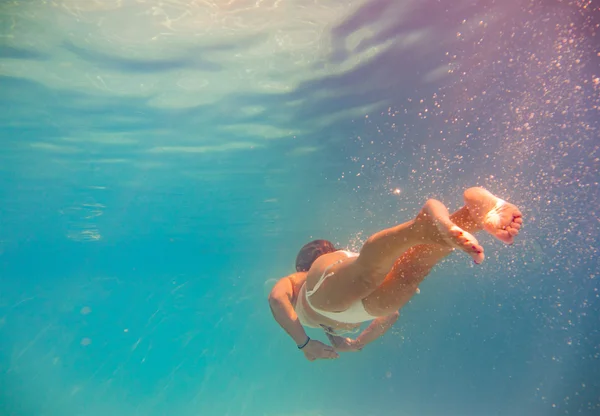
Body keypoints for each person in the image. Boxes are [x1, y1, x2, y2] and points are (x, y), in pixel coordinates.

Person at [268, 187, 523, 361]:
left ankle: (418, 227)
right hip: (366, 308)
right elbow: (390, 317)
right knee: (410, 271)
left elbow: (276, 298)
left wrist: (304, 344)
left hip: (335, 295)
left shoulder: (301, 280)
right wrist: (355, 343)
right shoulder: (328, 316)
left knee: (373, 273)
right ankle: (474, 216)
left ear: (303, 266)